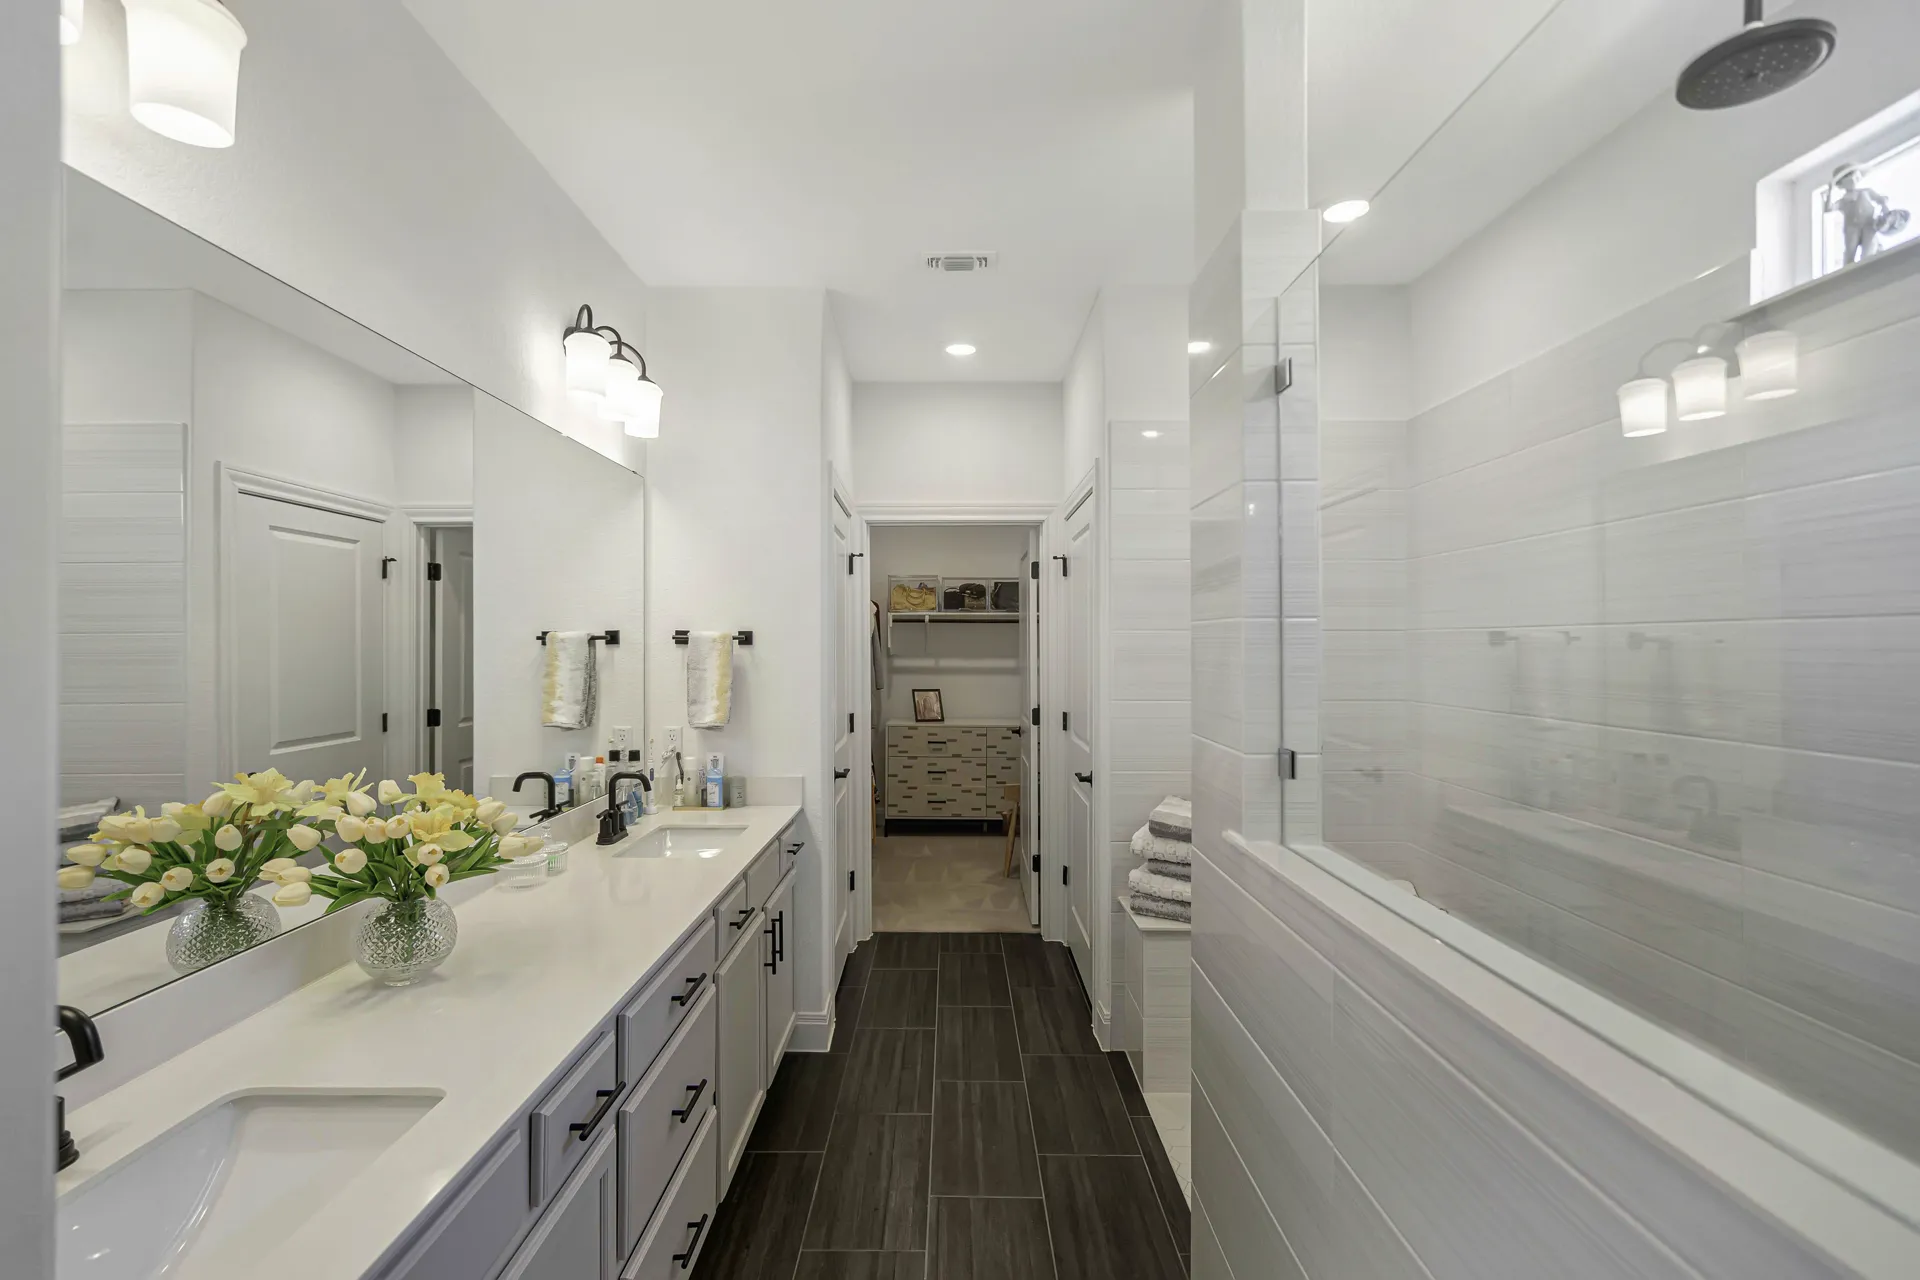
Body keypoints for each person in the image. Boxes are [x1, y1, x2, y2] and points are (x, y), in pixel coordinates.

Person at [1827, 163, 1893, 266]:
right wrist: (1829, 192)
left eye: (1854, 176)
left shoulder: (1866, 192)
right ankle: (1849, 270)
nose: (1853, 179)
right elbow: (1829, 208)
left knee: (1869, 251)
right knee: (1850, 252)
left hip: (1869, 225)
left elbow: (1881, 200)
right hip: (1852, 228)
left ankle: (1870, 264)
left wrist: (1886, 213)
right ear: (1841, 184)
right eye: (1848, 178)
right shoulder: (1843, 201)